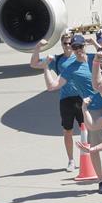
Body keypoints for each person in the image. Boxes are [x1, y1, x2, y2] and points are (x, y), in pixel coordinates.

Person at [41, 33, 102, 193]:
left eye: (80, 46)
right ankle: (101, 181)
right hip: (94, 110)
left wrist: (95, 42)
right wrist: (45, 68)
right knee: (94, 148)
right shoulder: (70, 68)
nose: (78, 49)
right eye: (75, 47)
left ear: (85, 46)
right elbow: (52, 86)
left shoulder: (94, 58)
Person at [30, 32, 82, 171]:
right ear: (62, 44)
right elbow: (34, 63)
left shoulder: (79, 57)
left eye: (71, 43)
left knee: (86, 130)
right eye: (65, 43)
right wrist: (37, 48)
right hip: (66, 100)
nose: (68, 46)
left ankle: (87, 158)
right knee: (67, 131)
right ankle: (71, 160)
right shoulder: (57, 60)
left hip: (81, 98)